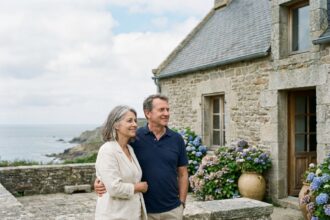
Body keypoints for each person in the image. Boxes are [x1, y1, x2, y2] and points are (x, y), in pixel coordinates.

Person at [95, 94, 189, 220]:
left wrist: (182, 203)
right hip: (144, 211)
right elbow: (110, 163)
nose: (166, 113)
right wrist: (99, 181)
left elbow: (183, 173)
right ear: (148, 113)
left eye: (168, 109)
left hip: (173, 210)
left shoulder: (177, 139)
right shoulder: (134, 138)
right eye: (161, 110)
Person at [95, 105, 148, 220]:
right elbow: (114, 188)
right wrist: (138, 187)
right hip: (114, 215)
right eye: (129, 121)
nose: (134, 124)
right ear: (116, 125)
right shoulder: (107, 150)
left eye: (135, 121)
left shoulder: (130, 149)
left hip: (133, 214)